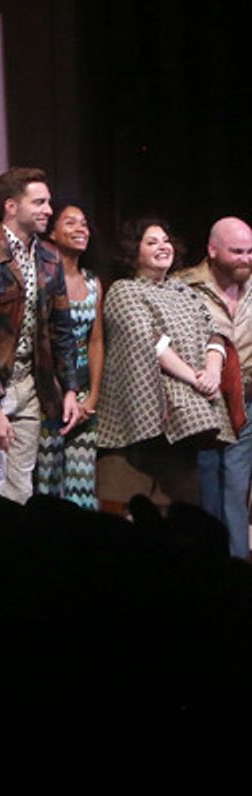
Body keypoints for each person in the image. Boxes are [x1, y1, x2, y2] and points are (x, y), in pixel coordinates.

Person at [0, 166, 77, 504]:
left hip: (29, 385)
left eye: (48, 202)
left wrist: (69, 387)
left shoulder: (49, 257)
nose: (48, 210)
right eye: (38, 202)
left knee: (22, 487)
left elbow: (61, 328)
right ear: (11, 206)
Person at [95, 217, 233, 510]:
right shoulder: (124, 290)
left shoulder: (185, 291)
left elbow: (213, 333)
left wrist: (212, 371)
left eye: (166, 241)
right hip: (142, 421)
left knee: (180, 510)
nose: (162, 247)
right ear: (134, 252)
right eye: (152, 242)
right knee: (128, 508)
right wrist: (195, 378)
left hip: (186, 418)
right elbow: (148, 339)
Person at [181, 217, 252, 556]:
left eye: (250, 251)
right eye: (237, 251)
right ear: (212, 250)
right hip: (203, 401)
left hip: (246, 401)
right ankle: (207, 562)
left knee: (237, 488)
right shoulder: (185, 286)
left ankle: (236, 564)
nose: (246, 258)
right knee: (206, 483)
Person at [34, 202, 104, 511]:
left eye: (84, 223)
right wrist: (61, 393)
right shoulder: (42, 278)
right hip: (50, 392)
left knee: (82, 485)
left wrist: (93, 396)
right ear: (52, 233)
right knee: (47, 483)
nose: (80, 229)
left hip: (84, 392)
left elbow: (96, 341)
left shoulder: (92, 282)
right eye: (71, 222)